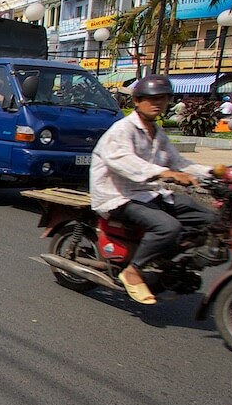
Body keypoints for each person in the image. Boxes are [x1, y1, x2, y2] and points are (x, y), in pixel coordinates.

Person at [90, 74, 216, 305]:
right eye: (151, 98)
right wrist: (164, 173)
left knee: (208, 219)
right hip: (117, 196)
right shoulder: (122, 130)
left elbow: (180, 163)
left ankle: (163, 259)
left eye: (163, 98)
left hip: (148, 193)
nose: (157, 103)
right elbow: (125, 162)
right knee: (168, 226)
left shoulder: (157, 134)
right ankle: (133, 271)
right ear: (137, 101)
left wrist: (216, 173)